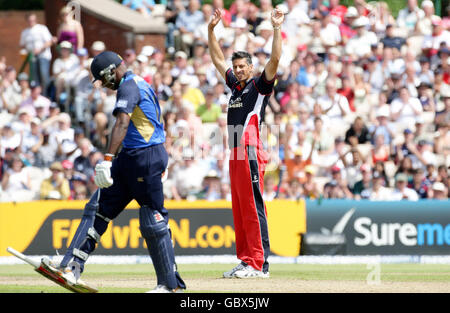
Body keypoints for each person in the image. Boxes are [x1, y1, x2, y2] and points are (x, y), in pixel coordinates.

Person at [52, 51, 186, 293]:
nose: (104, 85)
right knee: (97, 208)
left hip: (144, 157)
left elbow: (122, 122)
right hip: (134, 156)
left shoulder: (129, 86)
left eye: (103, 79)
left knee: (152, 220)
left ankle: (169, 285)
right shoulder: (137, 84)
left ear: (112, 70)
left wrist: (106, 159)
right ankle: (71, 266)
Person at [208, 8, 284, 278]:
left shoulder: (259, 86)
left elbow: (275, 57)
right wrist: (211, 30)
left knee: (253, 206)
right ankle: (245, 259)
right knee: (240, 208)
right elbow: (217, 59)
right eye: (236, 67)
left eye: (243, 67)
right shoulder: (236, 87)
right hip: (235, 152)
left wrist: (276, 28)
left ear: (251, 68)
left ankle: (259, 264)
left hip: (250, 149)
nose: (238, 70)